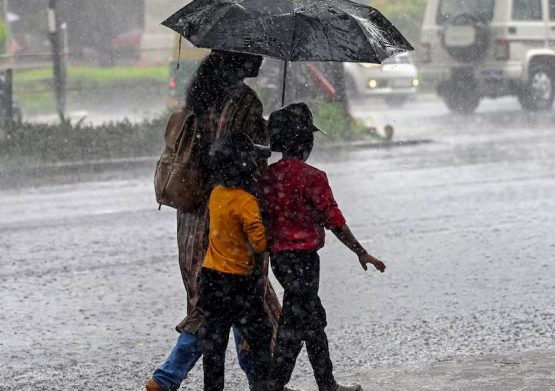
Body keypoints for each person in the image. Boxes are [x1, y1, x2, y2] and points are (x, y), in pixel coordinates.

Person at [146, 50, 282, 391]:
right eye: (255, 52)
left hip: (192, 214)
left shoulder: (199, 95)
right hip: (229, 215)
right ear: (238, 58)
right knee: (246, 298)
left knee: (213, 299)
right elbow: (244, 155)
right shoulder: (243, 100)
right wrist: (268, 135)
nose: (262, 59)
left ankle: (260, 382)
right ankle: (167, 378)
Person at [261, 103, 387, 391]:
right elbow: (334, 220)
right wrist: (360, 251)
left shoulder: (266, 178)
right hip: (305, 261)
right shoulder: (313, 177)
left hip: (280, 260)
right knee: (298, 321)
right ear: (306, 142)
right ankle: (280, 384)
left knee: (309, 318)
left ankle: (320, 383)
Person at [197, 132, 274, 391]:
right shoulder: (247, 202)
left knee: (214, 348)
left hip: (210, 279)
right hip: (239, 284)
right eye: (253, 159)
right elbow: (260, 244)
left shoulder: (216, 194)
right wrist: (267, 224)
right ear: (245, 166)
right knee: (260, 338)